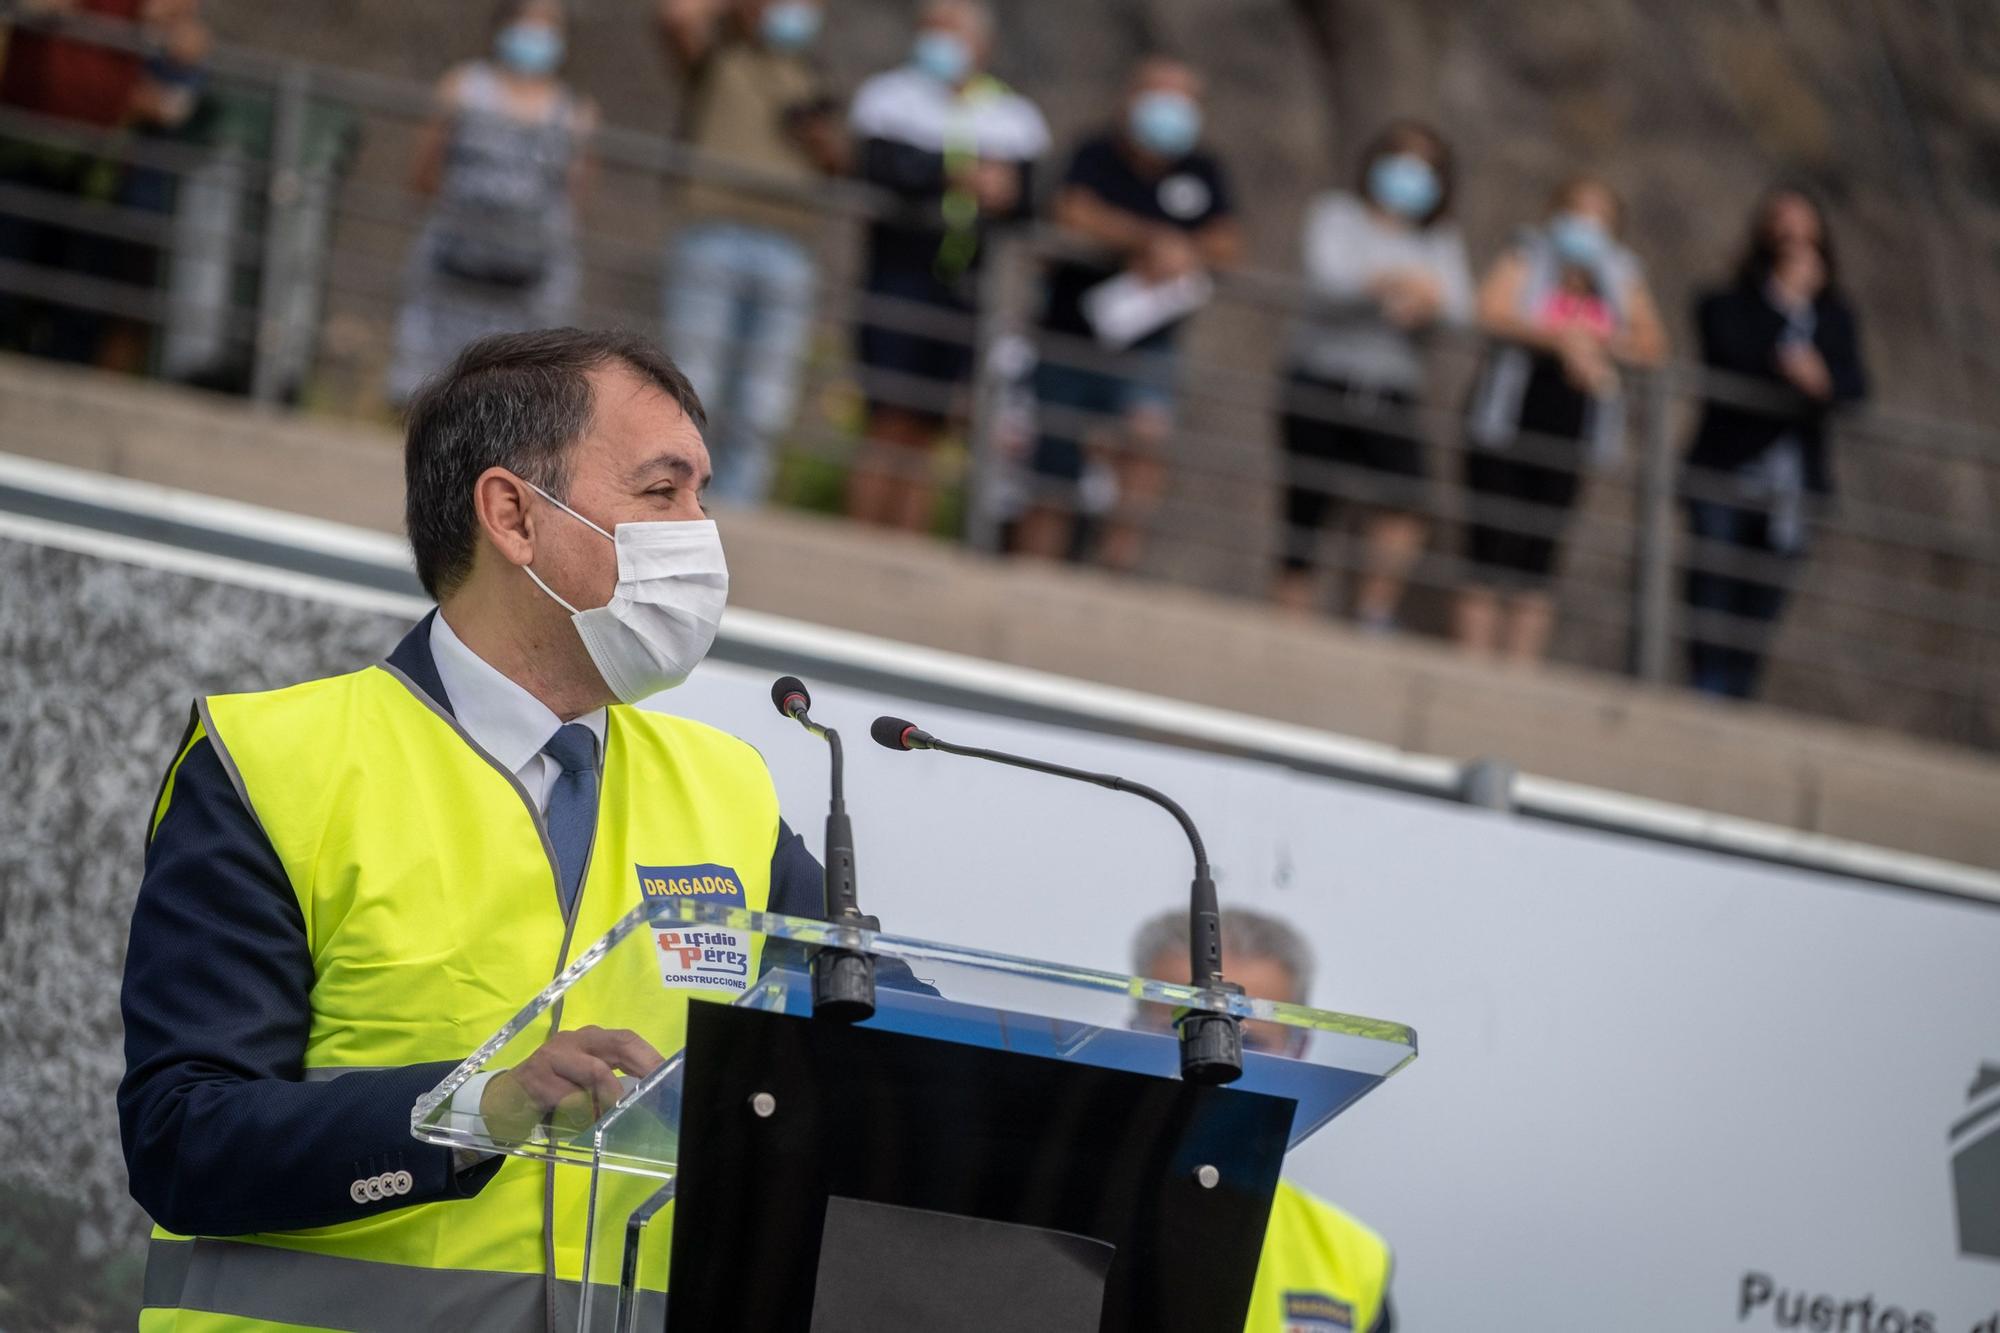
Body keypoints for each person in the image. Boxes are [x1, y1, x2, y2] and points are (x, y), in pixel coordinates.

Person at [120, 328, 838, 1327]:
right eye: (662, 491)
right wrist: (474, 1113)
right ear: (512, 515)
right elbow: (181, 1138)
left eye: (701, 495)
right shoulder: (272, 765)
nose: (700, 533)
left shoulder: (729, 790)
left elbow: (884, 1035)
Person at [1015, 54, 1241, 571]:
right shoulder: (1095, 152)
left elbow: (1229, 242)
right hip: (1070, 332)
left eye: (1182, 98)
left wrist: (1187, 252)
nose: (1170, 108)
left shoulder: (1203, 170)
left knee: (1146, 437)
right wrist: (1150, 239)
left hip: (1148, 342)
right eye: (1159, 94)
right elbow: (1072, 211)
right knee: (1055, 459)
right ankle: (1034, 569)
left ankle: (1117, 561)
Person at [1131, 909, 1396, 1333]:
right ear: (1131, 1031)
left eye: (1247, 1041)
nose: (1207, 1065)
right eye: (1179, 1031)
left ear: (1299, 1049)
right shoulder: (1045, 1209)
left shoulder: (1352, 1256)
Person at [843, 0, 1048, 533]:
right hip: (896, 276)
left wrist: (1004, 190)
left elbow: (1031, 198)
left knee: (931, 427)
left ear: (982, 45)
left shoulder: (1013, 115)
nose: (938, 42)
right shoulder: (888, 97)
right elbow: (879, 168)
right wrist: (958, 175)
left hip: (965, 287)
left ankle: (905, 544)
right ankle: (862, 533)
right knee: (886, 416)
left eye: (951, 32)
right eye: (931, 30)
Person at [1457, 174, 1667, 661]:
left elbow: (1653, 345)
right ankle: (1471, 661)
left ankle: (1519, 668)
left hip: (1572, 429)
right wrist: (1557, 338)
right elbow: (1489, 309)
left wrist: (1598, 344)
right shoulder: (1528, 254)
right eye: (1578, 210)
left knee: (1542, 552)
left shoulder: (1620, 273)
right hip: (1506, 419)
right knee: (1490, 541)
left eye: (1600, 216)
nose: (1586, 225)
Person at [1275, 121, 1473, 632]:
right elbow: (1329, 279)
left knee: (1405, 499)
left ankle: (1373, 611)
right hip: (1321, 375)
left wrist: (1422, 300)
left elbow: (1458, 306)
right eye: (1400, 159)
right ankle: (1290, 616)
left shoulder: (1439, 237)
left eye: (1424, 166)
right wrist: (1393, 282)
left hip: (1390, 387)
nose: (1410, 175)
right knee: (1307, 501)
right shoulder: (1337, 214)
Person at [656, 0, 846, 507]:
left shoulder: (816, 77)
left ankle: (740, 506)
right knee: (694, 379)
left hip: (789, 250)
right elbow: (677, 17)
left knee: (765, 398)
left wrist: (820, 138)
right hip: (712, 237)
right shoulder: (720, 58)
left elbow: (842, 163)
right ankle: (678, 494)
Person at [1682, 188, 1867, 698]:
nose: (1794, 244)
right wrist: (1784, 308)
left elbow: (1853, 388)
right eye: (1783, 233)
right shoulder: (1728, 302)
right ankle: (1706, 694)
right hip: (1726, 469)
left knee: (1763, 601)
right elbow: (1731, 356)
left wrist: (1820, 380)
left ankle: (1738, 696)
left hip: (1794, 484)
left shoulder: (1834, 317)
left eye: (1805, 234)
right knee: (1711, 590)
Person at [386, 0, 596, 407]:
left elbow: (575, 199)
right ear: (502, 26)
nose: (537, 36)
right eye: (527, 22)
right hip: (453, 260)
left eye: (548, 25)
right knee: (431, 383)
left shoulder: (576, 111)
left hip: (530, 278)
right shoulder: (462, 86)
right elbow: (424, 170)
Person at [0, 0, 204, 366]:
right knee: (12, 268)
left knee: (80, 293)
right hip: (24, 142)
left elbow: (186, 46)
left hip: (98, 160)